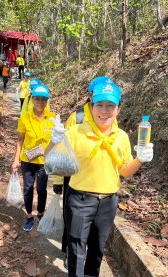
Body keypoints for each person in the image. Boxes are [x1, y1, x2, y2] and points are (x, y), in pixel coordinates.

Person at [46, 81, 154, 277]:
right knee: (76, 247)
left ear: (118, 109)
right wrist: (53, 141)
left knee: (97, 248)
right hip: (79, 199)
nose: (104, 111)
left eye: (110, 106)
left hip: (108, 202)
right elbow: (50, 162)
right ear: (91, 106)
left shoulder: (121, 137)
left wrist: (140, 160)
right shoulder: (76, 132)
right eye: (99, 105)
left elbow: (124, 172)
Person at [53, 76, 118, 265]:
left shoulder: (110, 119)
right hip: (74, 176)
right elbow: (62, 150)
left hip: (98, 181)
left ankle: (84, 254)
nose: (103, 108)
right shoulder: (77, 117)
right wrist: (58, 181)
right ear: (90, 96)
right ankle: (69, 251)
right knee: (71, 216)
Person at [12, 84, 56, 232]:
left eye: (43, 99)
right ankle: (29, 216)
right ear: (32, 99)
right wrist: (16, 159)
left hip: (44, 160)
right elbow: (20, 140)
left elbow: (58, 141)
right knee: (28, 188)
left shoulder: (53, 118)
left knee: (42, 189)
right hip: (27, 159)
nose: (40, 102)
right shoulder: (25, 118)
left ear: (47, 101)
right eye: (37, 99)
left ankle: (41, 214)